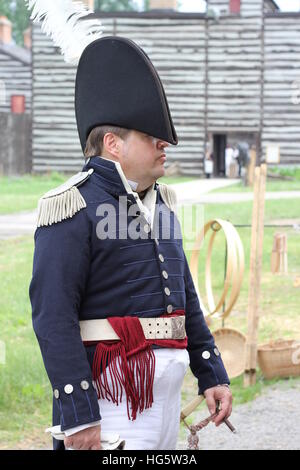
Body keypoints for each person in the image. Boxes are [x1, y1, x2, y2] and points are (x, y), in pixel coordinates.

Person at [29, 36, 232, 451]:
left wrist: (212, 372)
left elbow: (185, 299)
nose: (165, 144)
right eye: (151, 135)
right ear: (113, 144)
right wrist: (79, 412)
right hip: (112, 403)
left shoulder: (162, 203)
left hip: (166, 401)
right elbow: (53, 316)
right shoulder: (70, 205)